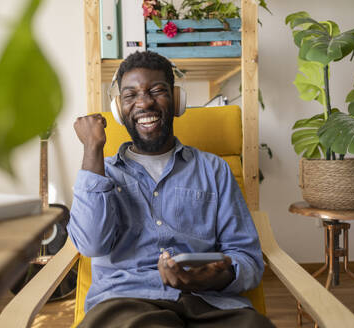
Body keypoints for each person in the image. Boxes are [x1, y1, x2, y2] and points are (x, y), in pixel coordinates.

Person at [68, 51, 274, 328]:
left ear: (176, 100)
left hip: (209, 302)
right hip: (126, 303)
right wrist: (92, 149)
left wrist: (211, 277)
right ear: (119, 108)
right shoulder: (102, 172)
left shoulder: (214, 169)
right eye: (131, 95)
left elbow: (246, 257)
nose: (144, 102)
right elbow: (91, 244)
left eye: (156, 90)